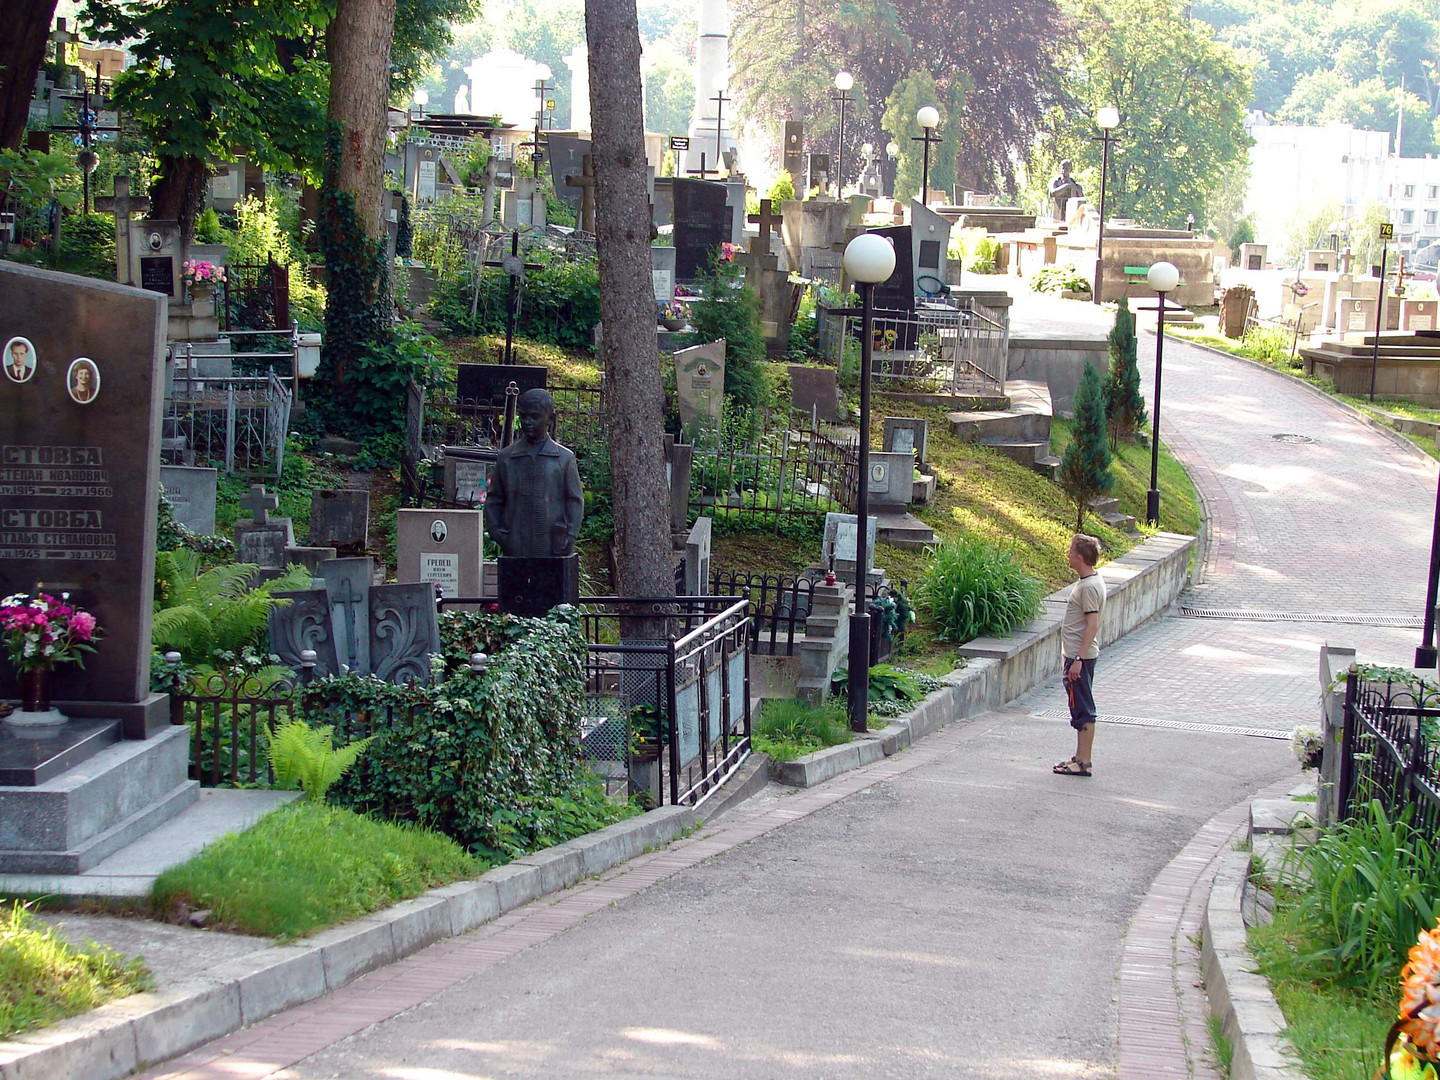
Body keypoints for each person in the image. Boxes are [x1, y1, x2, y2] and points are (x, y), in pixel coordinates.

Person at [483, 388, 583, 558]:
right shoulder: (506, 458)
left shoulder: (564, 459)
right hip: (515, 550)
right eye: (524, 416)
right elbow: (494, 499)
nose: (528, 422)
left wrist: (569, 535)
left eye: (535, 417)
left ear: (549, 419)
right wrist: (498, 533)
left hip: (552, 551)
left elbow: (574, 500)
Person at [1054, 533, 1106, 777]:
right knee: (1078, 706)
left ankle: (1084, 761)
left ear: (1081, 557)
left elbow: (1092, 625)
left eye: (1071, 551)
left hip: (1079, 658)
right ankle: (1079, 756)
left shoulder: (1089, 587)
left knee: (1083, 708)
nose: (1068, 555)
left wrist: (1077, 660)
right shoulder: (1089, 582)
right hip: (1077, 657)